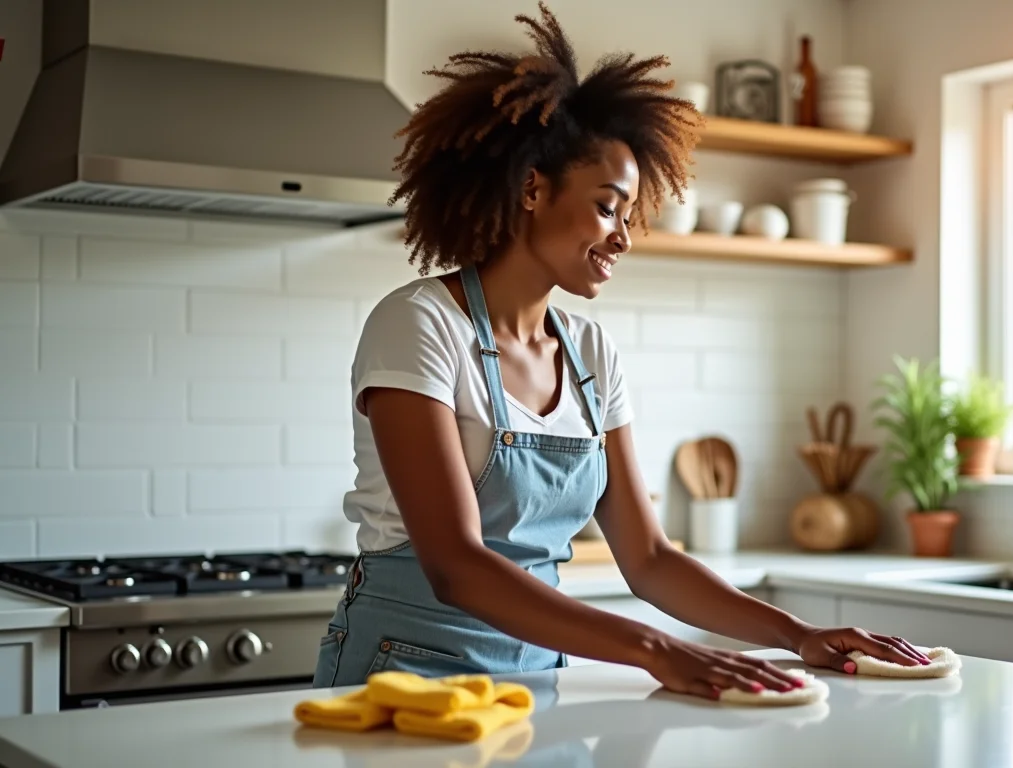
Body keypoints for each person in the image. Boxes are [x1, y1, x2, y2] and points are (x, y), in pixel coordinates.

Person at [312, 1, 929, 701]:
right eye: (608, 206)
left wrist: (798, 635)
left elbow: (650, 557)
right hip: (401, 678)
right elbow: (456, 563)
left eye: (630, 214)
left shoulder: (589, 353)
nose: (624, 236)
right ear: (531, 188)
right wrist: (653, 650)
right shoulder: (419, 325)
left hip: (526, 684)